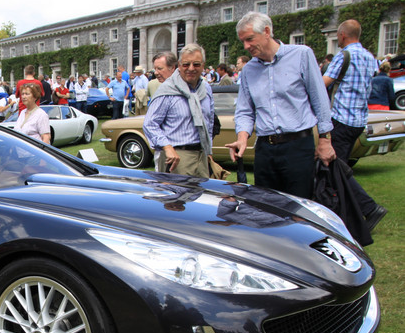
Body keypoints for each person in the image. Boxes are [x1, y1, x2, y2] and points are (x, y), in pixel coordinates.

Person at [228, 12, 333, 200]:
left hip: (297, 146)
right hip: (265, 150)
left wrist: (325, 140)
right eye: (243, 41)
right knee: (266, 207)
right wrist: (242, 137)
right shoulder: (249, 70)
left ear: (267, 32)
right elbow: (244, 111)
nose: (246, 46)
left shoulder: (301, 55)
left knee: (298, 208)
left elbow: (319, 99)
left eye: (250, 39)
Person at [323, 19, 387, 230]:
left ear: (341, 35)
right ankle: (343, 210)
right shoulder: (370, 57)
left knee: (336, 168)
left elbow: (324, 83)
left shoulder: (344, 56)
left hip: (341, 118)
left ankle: (368, 208)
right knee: (340, 167)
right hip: (358, 119)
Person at [143, 43, 214, 177]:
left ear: (203, 65)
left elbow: (208, 122)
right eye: (186, 64)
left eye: (196, 64)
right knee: (176, 198)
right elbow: (150, 124)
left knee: (201, 197)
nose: (191, 69)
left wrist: (208, 151)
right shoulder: (167, 90)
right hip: (177, 157)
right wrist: (167, 147)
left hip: (201, 156)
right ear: (179, 65)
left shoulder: (206, 89)